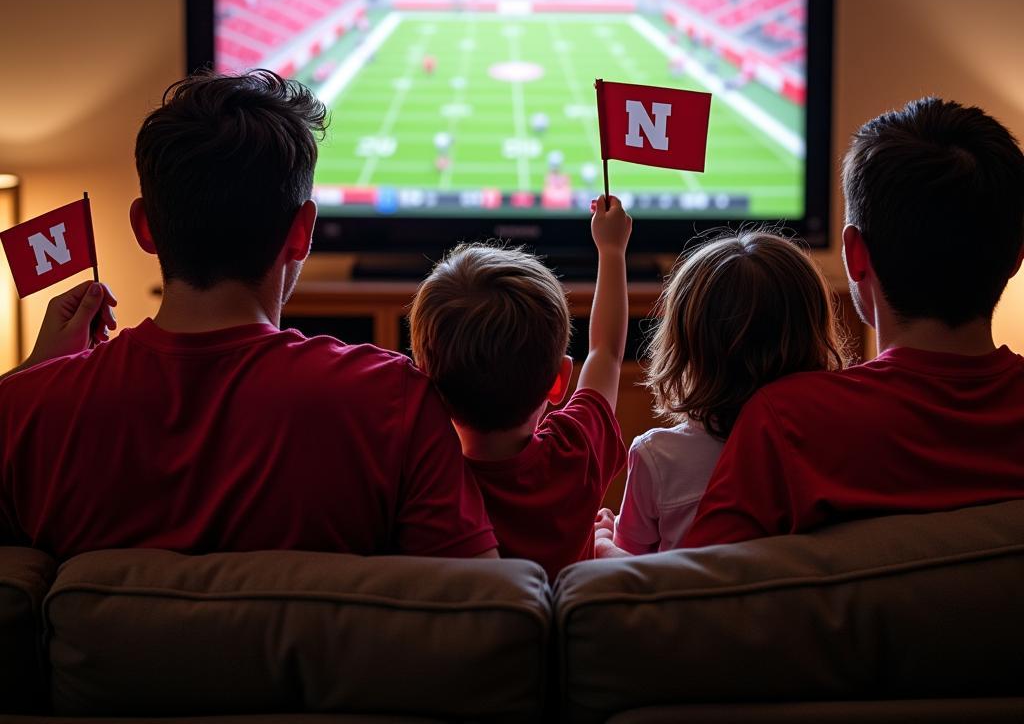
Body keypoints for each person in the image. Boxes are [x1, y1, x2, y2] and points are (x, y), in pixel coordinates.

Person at [0, 70, 497, 561]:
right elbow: (478, 613)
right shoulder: (394, 400)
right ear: (303, 231)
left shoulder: (23, 412)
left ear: (144, 227)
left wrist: (30, 378)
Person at [683, 97, 1024, 547]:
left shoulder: (786, 422)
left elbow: (692, 602)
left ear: (855, 253)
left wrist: (612, 551)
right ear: (1017, 254)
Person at [408, 196, 631, 579]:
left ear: (427, 383)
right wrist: (612, 251)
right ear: (559, 380)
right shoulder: (576, 452)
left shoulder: (421, 484)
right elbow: (606, 353)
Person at [594, 231, 845, 557]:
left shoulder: (657, 456)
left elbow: (637, 570)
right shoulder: (828, 444)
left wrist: (603, 544)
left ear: (684, 348)